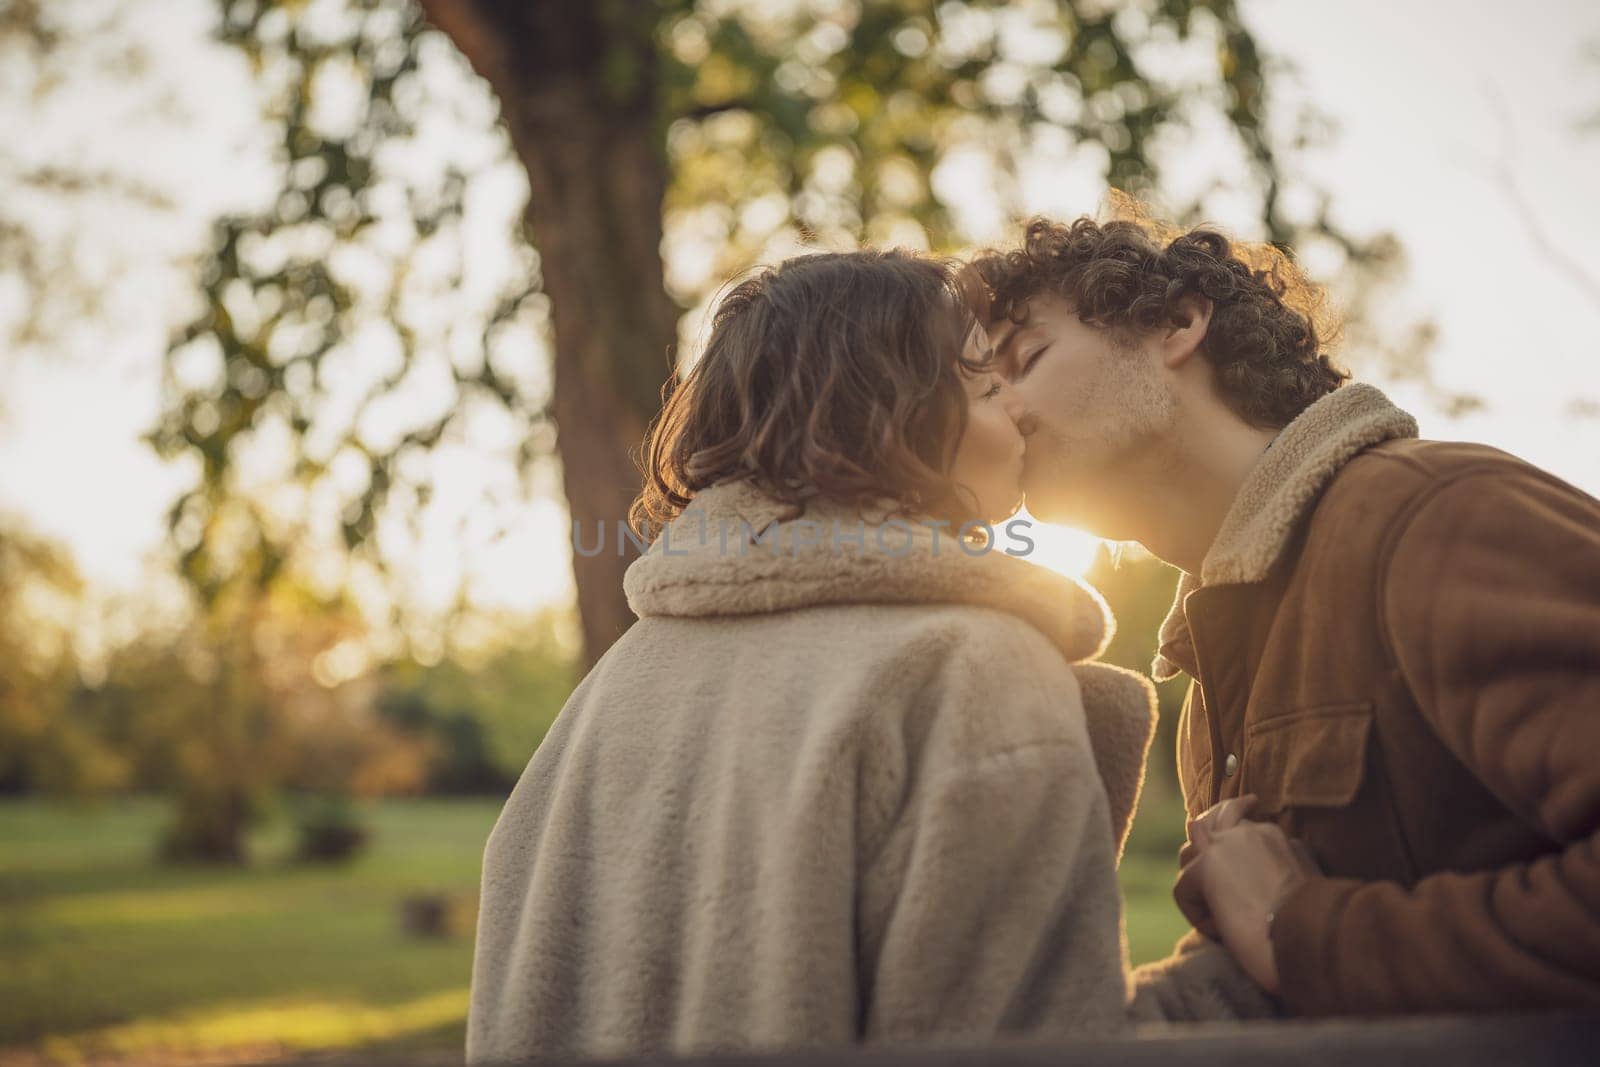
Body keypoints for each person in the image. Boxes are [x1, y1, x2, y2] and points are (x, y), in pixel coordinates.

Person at [466, 249, 1260, 1064]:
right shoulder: (974, 672)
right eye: (986, 386)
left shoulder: (617, 683)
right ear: (890, 425)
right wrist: (1240, 972)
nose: (1018, 414)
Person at [971, 211, 1600, 1015]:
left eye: (1025, 359)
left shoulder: (1431, 517)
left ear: (1178, 321)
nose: (1005, 411)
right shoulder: (1212, 668)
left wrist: (1301, 927)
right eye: (988, 387)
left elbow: (1291, 940)